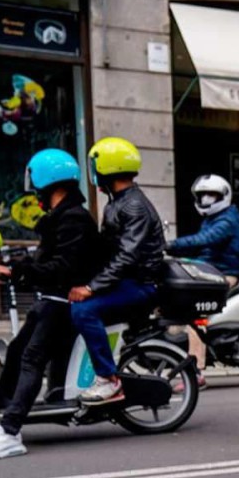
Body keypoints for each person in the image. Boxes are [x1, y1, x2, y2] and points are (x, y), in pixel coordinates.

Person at [0, 149, 99, 460]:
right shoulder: (61, 217)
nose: (33, 188)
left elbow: (62, 268)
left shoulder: (74, 219)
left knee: (31, 359)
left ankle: (10, 431)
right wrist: (11, 265)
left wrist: (14, 271)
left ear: (44, 179)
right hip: (50, 302)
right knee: (14, 352)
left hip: (62, 304)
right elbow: (45, 260)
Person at [71, 136, 166, 404]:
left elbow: (126, 256)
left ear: (107, 168)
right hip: (125, 282)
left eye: (95, 166)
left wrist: (91, 288)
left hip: (141, 285)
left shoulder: (133, 205)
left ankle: (108, 380)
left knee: (84, 309)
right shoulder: (118, 201)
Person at [168, 174, 239, 383]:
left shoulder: (227, 219)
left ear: (223, 196)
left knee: (197, 316)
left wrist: (172, 244)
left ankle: (196, 371)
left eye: (212, 195)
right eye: (202, 196)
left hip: (224, 274)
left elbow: (206, 239)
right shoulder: (211, 219)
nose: (206, 200)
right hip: (211, 272)